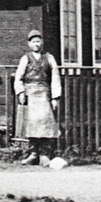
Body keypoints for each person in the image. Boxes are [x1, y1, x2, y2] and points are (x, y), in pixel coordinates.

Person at [13, 30, 62, 165]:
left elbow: (55, 77)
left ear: (42, 43)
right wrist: (20, 92)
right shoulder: (25, 58)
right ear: (29, 44)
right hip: (30, 95)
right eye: (33, 42)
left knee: (45, 124)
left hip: (44, 95)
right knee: (31, 125)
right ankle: (33, 154)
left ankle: (44, 155)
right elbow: (18, 77)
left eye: (38, 41)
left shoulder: (49, 58)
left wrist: (55, 97)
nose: (36, 44)